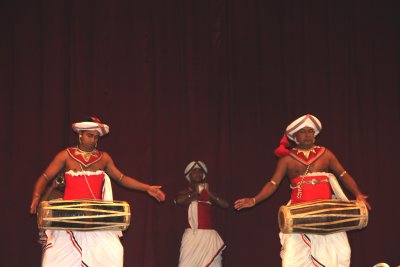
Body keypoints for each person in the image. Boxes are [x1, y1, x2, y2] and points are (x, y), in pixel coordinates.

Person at [234, 114, 371, 267]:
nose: (308, 135)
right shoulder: (287, 159)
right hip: (299, 213)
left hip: (328, 213)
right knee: (292, 260)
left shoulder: (326, 154)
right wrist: (254, 200)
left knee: (340, 254)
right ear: (295, 137)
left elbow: (343, 175)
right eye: (303, 131)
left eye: (311, 131)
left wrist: (358, 193)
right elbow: (272, 184)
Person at [29, 117, 166, 267]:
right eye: (89, 135)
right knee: (54, 258)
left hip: (96, 219)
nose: (93, 139)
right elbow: (45, 176)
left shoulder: (104, 158)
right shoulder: (66, 155)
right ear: (80, 135)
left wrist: (147, 188)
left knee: (115, 252)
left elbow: (122, 178)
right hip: (69, 218)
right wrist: (36, 195)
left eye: (96, 137)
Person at [174, 161, 229, 267]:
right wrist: (197, 192)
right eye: (194, 172)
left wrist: (207, 193)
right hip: (192, 236)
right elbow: (179, 201)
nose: (198, 174)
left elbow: (225, 204)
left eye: (200, 172)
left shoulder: (209, 193)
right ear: (189, 175)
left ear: (203, 175)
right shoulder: (184, 193)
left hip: (209, 238)